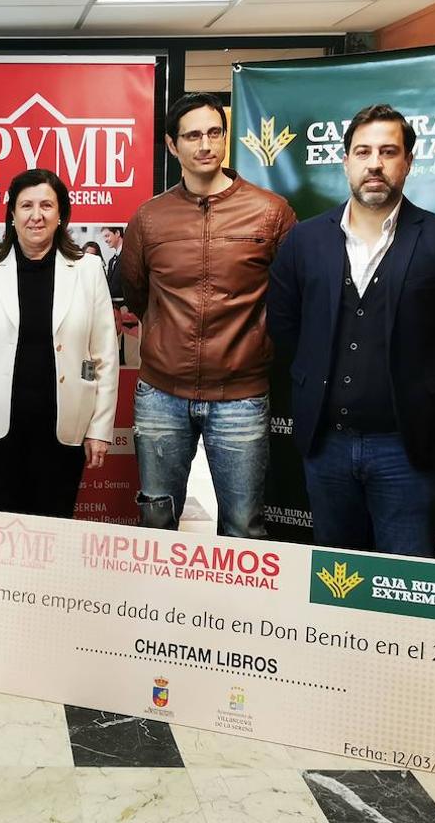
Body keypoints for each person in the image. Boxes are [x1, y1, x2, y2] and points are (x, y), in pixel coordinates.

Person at [267, 103, 435, 557]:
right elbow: (284, 322)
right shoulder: (305, 240)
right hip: (326, 445)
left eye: (388, 151)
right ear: (346, 162)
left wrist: (432, 381)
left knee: (407, 578)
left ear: (408, 162)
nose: (374, 163)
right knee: (336, 576)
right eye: (363, 152)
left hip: (408, 449)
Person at [122, 92, 296, 537]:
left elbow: (290, 299)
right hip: (161, 392)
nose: (205, 145)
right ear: (172, 145)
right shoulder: (149, 218)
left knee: (243, 527)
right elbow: (137, 293)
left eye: (215, 133)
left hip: (241, 395)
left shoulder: (270, 212)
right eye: (193, 135)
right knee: (156, 521)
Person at [0, 169, 119, 518]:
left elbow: (105, 358)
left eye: (46, 206)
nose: (36, 215)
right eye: (26, 205)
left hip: (63, 429)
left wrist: (100, 429)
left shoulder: (88, 270)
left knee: (52, 530)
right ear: (12, 214)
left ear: (61, 214)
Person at [100, 226, 124, 300]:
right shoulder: (111, 260)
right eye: (104, 237)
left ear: (117, 233)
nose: (105, 240)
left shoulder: (129, 255)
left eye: (107, 236)